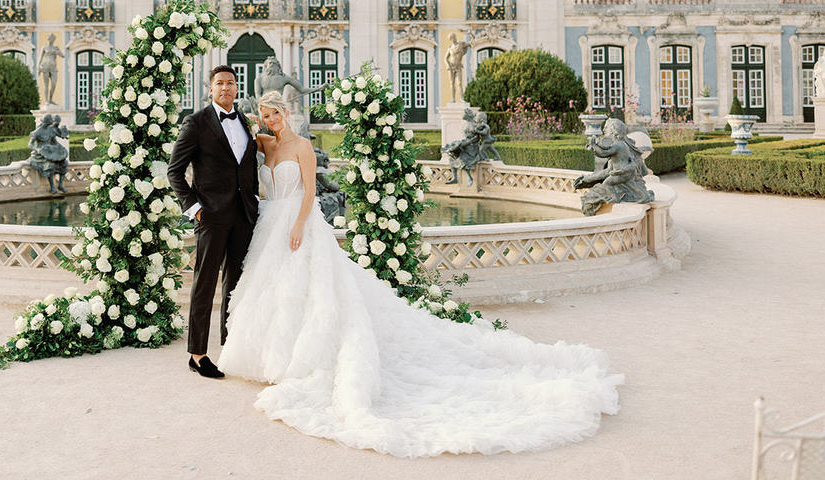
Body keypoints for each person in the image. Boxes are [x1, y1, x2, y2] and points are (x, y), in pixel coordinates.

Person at [217, 91, 623, 457]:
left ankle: (297, 361)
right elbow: (233, 147)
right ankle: (272, 357)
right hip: (267, 223)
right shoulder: (263, 144)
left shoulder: (303, 146)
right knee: (274, 291)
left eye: (275, 114)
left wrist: (297, 226)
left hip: (296, 225)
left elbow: (308, 191)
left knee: (312, 291)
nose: (271, 120)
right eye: (265, 115)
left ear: (286, 113)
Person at [166, 66, 259, 379]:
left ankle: (230, 346)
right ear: (210, 89)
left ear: (236, 88)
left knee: (234, 285)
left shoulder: (244, 120)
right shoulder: (196, 123)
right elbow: (174, 171)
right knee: (204, 285)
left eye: (230, 83)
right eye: (219, 83)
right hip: (211, 216)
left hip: (243, 216)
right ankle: (198, 354)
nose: (225, 88)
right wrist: (195, 208)